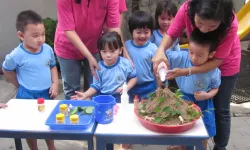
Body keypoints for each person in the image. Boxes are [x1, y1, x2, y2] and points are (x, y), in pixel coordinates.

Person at [153, 0, 241, 149]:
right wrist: (160, 50)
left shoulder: (230, 23)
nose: (205, 30)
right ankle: (186, 143)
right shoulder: (187, 9)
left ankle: (219, 146)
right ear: (194, 12)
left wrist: (185, 71)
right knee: (188, 106)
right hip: (195, 59)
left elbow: (216, 62)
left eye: (212, 26)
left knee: (220, 109)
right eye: (200, 23)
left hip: (224, 64)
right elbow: (172, 34)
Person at [2, 10, 58, 150]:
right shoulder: (16, 55)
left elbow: (52, 66)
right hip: (26, 95)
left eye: (43, 34)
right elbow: (6, 70)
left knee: (48, 122)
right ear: (21, 36)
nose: (41, 39)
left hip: (46, 93)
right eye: (35, 36)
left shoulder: (47, 49)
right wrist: (18, 85)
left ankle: (51, 147)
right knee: (28, 126)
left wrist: (55, 83)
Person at [55, 0, 132, 100]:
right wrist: (89, 57)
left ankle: (97, 112)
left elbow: (113, 27)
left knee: (98, 86)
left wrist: (124, 53)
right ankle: (72, 114)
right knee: (72, 92)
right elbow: (69, 30)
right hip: (67, 47)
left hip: (94, 45)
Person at [160, 29, 220, 150]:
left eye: (199, 55)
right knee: (185, 129)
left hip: (204, 103)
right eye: (191, 52)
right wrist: (162, 64)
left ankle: (201, 147)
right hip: (184, 100)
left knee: (203, 132)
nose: (193, 58)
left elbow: (215, 88)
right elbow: (165, 57)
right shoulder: (182, 57)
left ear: (211, 55)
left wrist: (207, 95)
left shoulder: (213, 69)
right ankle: (184, 146)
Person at [71, 31, 136, 103]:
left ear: (120, 50)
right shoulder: (99, 67)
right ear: (100, 51)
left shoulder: (125, 63)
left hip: (121, 96)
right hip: (104, 98)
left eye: (112, 51)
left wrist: (126, 87)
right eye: (104, 51)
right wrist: (85, 94)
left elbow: (134, 77)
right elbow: (96, 86)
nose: (108, 55)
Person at [126, 10, 158, 101]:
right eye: (139, 32)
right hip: (131, 87)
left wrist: (160, 86)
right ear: (132, 31)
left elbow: (156, 70)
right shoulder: (126, 47)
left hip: (149, 87)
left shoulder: (153, 48)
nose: (143, 36)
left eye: (146, 32)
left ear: (151, 32)